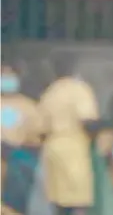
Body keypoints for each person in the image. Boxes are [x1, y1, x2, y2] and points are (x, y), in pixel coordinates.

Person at [39, 71, 101, 215]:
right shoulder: (79, 89)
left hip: (52, 148)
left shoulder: (50, 91)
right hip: (73, 149)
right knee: (78, 202)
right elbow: (87, 120)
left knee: (57, 202)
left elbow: (40, 128)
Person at [1, 66, 45, 215]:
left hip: (18, 166)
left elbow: (38, 138)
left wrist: (16, 150)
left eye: (10, 76)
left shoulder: (28, 106)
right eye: (3, 76)